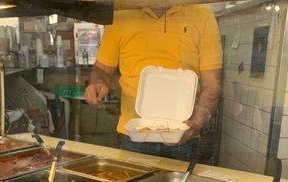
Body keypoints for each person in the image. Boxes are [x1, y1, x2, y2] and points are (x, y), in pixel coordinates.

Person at [85, 4, 223, 160]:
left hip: (183, 134)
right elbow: (102, 69)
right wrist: (97, 83)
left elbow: (212, 84)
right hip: (134, 134)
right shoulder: (121, 15)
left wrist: (198, 119)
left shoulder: (201, 15)